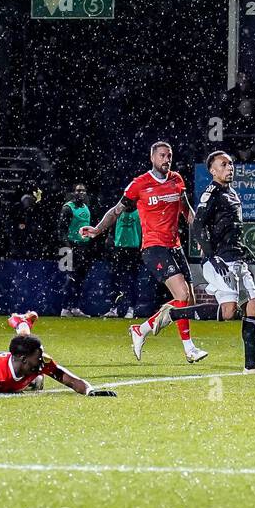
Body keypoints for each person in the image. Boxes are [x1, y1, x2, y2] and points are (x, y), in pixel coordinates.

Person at [81, 141, 207, 364]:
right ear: (152, 158)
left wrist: (199, 237)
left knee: (187, 301)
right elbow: (117, 210)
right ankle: (189, 349)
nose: (166, 159)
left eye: (169, 155)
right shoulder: (139, 184)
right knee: (182, 296)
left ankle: (142, 329)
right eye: (162, 156)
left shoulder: (176, 179)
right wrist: (98, 229)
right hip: (153, 247)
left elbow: (187, 210)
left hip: (174, 246)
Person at [149, 151, 255, 375]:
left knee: (253, 307)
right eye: (223, 165)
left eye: (230, 164)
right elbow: (197, 225)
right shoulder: (211, 193)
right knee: (228, 312)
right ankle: (174, 314)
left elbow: (230, 228)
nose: (229, 168)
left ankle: (251, 367)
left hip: (237, 259)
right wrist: (211, 255)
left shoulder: (231, 193)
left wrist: (242, 248)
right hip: (220, 260)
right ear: (213, 171)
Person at [0, 315, 115, 397]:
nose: (43, 358)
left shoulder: (39, 363)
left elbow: (71, 380)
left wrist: (90, 391)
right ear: (24, 359)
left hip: (11, 375)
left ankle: (21, 324)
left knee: (36, 381)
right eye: (38, 355)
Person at [59, 184, 93, 317]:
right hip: (71, 245)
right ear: (73, 192)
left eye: (83, 191)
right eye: (78, 190)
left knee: (80, 278)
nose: (81, 193)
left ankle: (75, 307)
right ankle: (64, 308)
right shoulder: (68, 208)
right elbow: (61, 230)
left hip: (83, 246)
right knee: (70, 277)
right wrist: (67, 248)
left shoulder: (86, 207)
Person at [103, 205, 142, 319]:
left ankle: (131, 308)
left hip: (134, 250)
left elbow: (144, 231)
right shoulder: (118, 212)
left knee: (131, 280)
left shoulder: (139, 212)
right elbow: (111, 231)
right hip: (119, 249)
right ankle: (114, 308)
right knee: (115, 280)